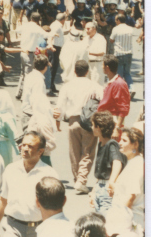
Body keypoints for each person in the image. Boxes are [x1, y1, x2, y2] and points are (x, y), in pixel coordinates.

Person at [0, 131, 59, 237]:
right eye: (23, 145)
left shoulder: (49, 175)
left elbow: (55, 209)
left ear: (40, 151)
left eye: (30, 146)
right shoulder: (11, 169)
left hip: (39, 229)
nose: (25, 148)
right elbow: (2, 200)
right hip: (12, 227)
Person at [54, 60, 104, 194]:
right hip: (89, 122)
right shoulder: (94, 85)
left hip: (73, 121)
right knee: (87, 152)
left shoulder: (67, 86)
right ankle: (81, 180)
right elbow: (102, 101)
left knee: (74, 152)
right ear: (87, 71)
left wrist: (58, 120)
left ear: (74, 71)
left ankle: (77, 179)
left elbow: (60, 105)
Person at [105, 127, 145, 237]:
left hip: (129, 223)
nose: (119, 143)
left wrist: (120, 224)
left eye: (124, 140)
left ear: (135, 144)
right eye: (120, 140)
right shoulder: (132, 162)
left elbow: (130, 197)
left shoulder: (136, 165)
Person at [89, 111, 125, 215]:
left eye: (93, 125)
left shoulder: (112, 144)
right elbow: (100, 173)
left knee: (106, 219)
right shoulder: (101, 144)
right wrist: (93, 191)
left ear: (99, 127)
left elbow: (117, 162)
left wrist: (111, 183)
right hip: (100, 187)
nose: (92, 128)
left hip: (106, 189)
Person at [97, 54, 130, 138]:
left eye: (102, 65)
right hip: (105, 122)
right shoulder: (111, 81)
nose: (101, 67)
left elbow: (123, 108)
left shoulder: (119, 84)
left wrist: (117, 129)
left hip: (112, 124)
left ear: (107, 67)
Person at [109, 14, 136, 94]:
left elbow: (111, 39)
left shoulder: (116, 29)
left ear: (118, 20)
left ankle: (119, 91)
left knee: (119, 74)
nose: (115, 21)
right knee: (127, 73)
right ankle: (132, 88)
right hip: (129, 53)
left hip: (119, 54)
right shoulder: (130, 29)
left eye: (116, 20)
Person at [83, 21, 107, 86]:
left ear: (94, 29)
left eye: (88, 29)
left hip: (97, 65)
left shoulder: (100, 38)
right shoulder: (85, 39)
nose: (86, 30)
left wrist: (89, 53)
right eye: (85, 28)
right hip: (87, 64)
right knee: (87, 85)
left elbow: (102, 52)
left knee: (96, 85)